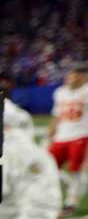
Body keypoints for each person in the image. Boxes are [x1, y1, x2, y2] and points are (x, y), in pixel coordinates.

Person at [46, 63, 88, 206]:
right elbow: (57, 114)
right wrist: (51, 132)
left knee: (75, 169)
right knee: (48, 166)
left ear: (83, 77)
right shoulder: (60, 92)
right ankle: (71, 185)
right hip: (61, 136)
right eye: (70, 75)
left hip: (80, 134)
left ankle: (71, 202)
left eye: (75, 75)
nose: (71, 78)